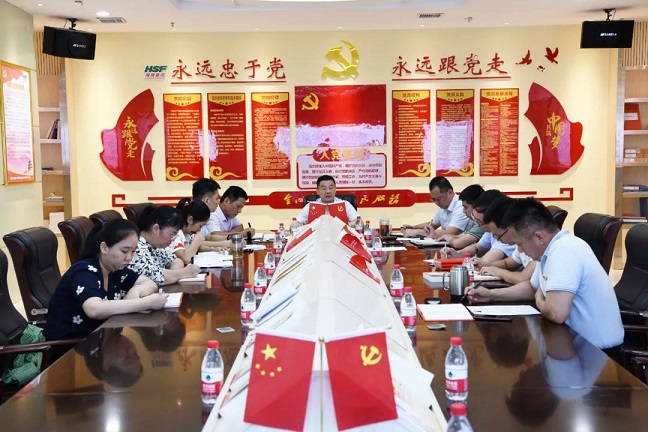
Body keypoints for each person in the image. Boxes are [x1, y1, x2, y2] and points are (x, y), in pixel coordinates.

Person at [466, 198, 624, 351]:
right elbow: (531, 287)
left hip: (597, 352)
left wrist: (539, 298)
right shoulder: (549, 251)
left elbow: (555, 313)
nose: (520, 250)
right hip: (571, 342)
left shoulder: (564, 251)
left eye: (520, 244)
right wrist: (491, 295)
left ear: (539, 237)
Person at [44, 219, 168, 341]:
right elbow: (94, 309)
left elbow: (150, 283)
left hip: (101, 338)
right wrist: (145, 303)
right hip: (70, 346)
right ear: (104, 248)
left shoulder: (114, 269)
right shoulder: (85, 271)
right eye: (124, 251)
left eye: (133, 251)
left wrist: (136, 290)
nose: (129, 257)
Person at [128, 205, 200, 285]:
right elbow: (156, 277)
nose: (173, 239)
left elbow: (177, 261)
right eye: (172, 234)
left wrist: (172, 275)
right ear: (156, 229)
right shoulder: (135, 248)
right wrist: (183, 273)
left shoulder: (155, 246)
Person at [444, 190, 516, 267]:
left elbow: (486, 262)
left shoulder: (507, 233)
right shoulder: (491, 230)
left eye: (479, 221)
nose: (478, 225)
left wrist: (478, 262)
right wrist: (457, 254)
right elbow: (478, 247)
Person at [480, 197, 536, 285]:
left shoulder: (535, 243)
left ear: (509, 228)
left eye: (498, 235)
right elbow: (507, 263)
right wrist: (486, 266)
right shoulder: (520, 243)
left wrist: (499, 272)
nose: (498, 240)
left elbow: (523, 278)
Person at [401, 176, 470, 239]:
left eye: (438, 199)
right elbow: (431, 225)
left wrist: (417, 232)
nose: (436, 203)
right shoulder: (443, 207)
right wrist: (412, 228)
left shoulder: (461, 206)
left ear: (450, 192)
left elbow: (449, 233)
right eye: (433, 199)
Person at [171, 197, 229, 264]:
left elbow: (198, 247)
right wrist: (197, 240)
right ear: (190, 220)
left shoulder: (188, 233)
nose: (200, 230)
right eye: (200, 226)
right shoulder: (175, 234)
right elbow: (185, 258)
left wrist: (213, 249)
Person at [437, 184, 485, 249]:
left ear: (477, 206)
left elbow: (459, 243)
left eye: (466, 207)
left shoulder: (482, 224)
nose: (463, 211)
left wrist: (448, 238)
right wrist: (445, 236)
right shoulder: (474, 222)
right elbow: (461, 236)